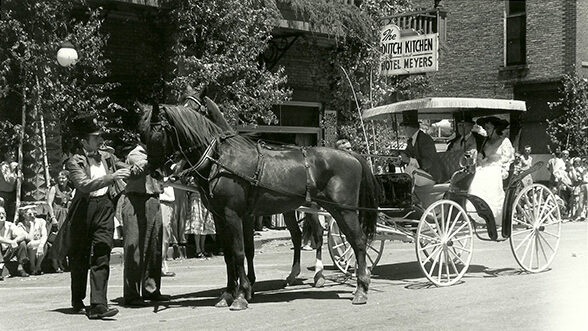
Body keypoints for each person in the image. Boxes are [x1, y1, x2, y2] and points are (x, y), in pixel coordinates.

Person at [56, 114, 130, 319]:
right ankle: (77, 299)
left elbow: (125, 168)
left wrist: (142, 167)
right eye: (96, 137)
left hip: (105, 207)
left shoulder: (107, 156)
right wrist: (111, 177)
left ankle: (99, 305)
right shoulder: (74, 162)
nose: (100, 140)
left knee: (102, 252)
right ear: (84, 141)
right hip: (83, 210)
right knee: (79, 257)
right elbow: (84, 185)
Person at [121, 143, 170, 307]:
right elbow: (136, 171)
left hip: (153, 199)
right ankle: (132, 294)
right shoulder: (136, 154)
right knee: (134, 247)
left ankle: (151, 289)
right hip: (136, 200)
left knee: (154, 247)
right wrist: (151, 161)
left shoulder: (158, 155)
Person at [467, 116, 511, 228]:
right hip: (483, 167)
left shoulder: (504, 141)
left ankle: (494, 214)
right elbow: (481, 155)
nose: (486, 130)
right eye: (485, 127)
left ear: (496, 128)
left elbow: (507, 158)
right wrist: (480, 159)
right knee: (475, 177)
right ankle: (479, 211)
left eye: (488, 127)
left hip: (497, 168)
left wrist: (501, 167)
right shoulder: (486, 140)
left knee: (487, 176)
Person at [398, 110, 444, 186]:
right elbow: (406, 154)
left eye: (405, 127)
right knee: (406, 173)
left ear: (412, 127)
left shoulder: (425, 139)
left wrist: (409, 160)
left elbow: (429, 163)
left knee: (410, 170)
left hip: (432, 176)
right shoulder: (411, 141)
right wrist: (398, 160)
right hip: (421, 174)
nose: (403, 130)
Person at [46, 170, 74, 272]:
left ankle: (60, 260)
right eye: (60, 178)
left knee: (64, 239)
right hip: (56, 215)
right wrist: (53, 217)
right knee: (55, 238)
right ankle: (54, 260)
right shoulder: (54, 188)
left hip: (65, 215)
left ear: (67, 179)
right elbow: (49, 203)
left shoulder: (69, 190)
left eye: (63, 178)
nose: (61, 180)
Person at [0, 204, 29, 280]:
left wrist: (14, 241)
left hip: (8, 251)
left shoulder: (10, 225)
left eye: (3, 213)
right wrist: (10, 242)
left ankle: (20, 267)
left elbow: (22, 235)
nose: (1, 215)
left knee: (22, 243)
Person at [17, 206, 47, 275]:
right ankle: (32, 266)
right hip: (29, 248)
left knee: (44, 244)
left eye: (34, 213)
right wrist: (32, 225)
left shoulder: (41, 221)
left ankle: (38, 266)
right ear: (24, 215)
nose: (33, 216)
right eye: (30, 214)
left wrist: (41, 246)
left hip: (39, 244)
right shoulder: (21, 225)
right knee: (32, 244)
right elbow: (30, 238)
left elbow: (44, 235)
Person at [187, 188, 215, 258]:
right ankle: (198, 249)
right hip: (195, 198)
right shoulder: (191, 178)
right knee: (197, 223)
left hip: (204, 198)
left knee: (205, 223)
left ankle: (202, 248)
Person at [160, 180, 176, 277]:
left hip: (167, 200)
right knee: (163, 233)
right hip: (160, 199)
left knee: (165, 235)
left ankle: (161, 265)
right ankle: (160, 267)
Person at [0, 148, 19, 222]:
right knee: (2, 213)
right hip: (3, 195)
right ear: (5, 155)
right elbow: (10, 180)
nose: (13, 156)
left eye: (14, 154)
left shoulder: (13, 165)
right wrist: (13, 169)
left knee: (10, 215)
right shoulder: (4, 166)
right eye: (11, 154)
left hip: (11, 195)